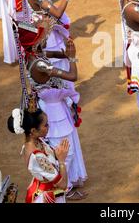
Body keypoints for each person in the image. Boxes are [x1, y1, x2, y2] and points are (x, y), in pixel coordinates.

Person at [17, 21, 88, 200]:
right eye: (40, 36)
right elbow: (73, 76)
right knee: (64, 151)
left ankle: (67, 184)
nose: (45, 37)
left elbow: (50, 53)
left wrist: (64, 53)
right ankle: (66, 187)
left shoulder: (31, 54)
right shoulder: (40, 65)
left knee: (60, 149)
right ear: (33, 42)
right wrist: (71, 58)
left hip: (49, 105)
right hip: (53, 110)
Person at [8, 108, 70, 203]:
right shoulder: (37, 156)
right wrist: (61, 161)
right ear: (33, 131)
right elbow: (63, 185)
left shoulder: (34, 142)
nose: (48, 127)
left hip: (40, 188)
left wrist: (57, 154)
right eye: (45, 125)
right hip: (47, 196)